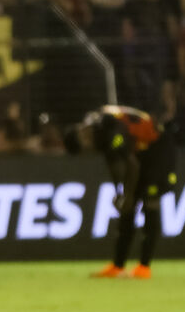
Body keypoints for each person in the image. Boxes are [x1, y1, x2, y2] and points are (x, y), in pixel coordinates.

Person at [63, 105, 177, 279]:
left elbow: (131, 164)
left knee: (149, 204)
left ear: (82, 134)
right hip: (141, 152)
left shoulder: (109, 130)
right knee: (127, 210)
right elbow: (114, 161)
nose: (88, 152)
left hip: (158, 151)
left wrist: (128, 195)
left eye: (84, 149)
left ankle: (144, 267)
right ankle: (118, 266)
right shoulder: (97, 128)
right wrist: (120, 192)